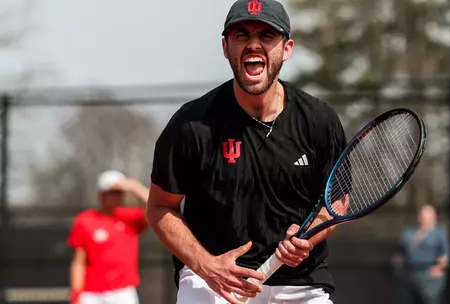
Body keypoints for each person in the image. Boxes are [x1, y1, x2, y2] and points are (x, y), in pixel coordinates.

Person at [145, 0, 348, 303]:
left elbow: (337, 201)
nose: (254, 45)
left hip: (300, 283)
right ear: (226, 47)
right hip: (211, 283)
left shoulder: (319, 121)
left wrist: (310, 236)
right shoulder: (191, 125)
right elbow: (160, 207)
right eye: (242, 35)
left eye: (266, 36)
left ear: (287, 48)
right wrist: (206, 265)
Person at [67, 170, 150, 304]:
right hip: (91, 294)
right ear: (101, 194)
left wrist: (135, 187)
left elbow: (156, 208)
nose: (116, 196)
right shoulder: (85, 220)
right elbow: (78, 262)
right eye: (111, 192)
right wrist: (76, 294)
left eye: (119, 192)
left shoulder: (131, 218)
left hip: (122, 293)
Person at [392, 204, 450, 304]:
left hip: (430, 279)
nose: (424, 218)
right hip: (410, 276)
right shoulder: (409, 233)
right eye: (422, 215)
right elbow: (399, 252)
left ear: (434, 217)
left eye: (427, 216)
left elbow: (445, 256)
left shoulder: (439, 234)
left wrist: (439, 268)